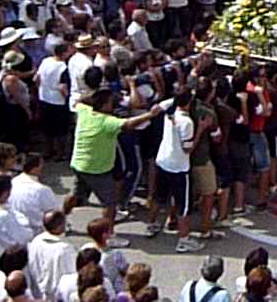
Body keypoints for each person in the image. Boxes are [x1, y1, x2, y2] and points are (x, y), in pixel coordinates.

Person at [65, 88, 169, 231]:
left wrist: (97, 94)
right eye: (110, 102)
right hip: (97, 169)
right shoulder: (108, 122)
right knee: (110, 204)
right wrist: (150, 115)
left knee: (75, 195)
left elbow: (79, 101)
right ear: (105, 105)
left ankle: (62, 218)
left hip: (78, 164)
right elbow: (129, 124)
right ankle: (108, 234)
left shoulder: (84, 112)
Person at [145, 92, 204, 253]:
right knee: (182, 205)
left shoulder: (169, 114)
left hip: (164, 161)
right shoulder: (187, 122)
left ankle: (151, 224)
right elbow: (188, 148)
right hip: (179, 167)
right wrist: (200, 131)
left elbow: (160, 105)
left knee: (159, 196)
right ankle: (184, 239)